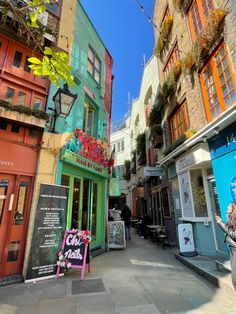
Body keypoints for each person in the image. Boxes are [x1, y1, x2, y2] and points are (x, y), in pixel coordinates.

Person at [215, 201, 236, 289]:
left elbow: (234, 235)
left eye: (229, 206)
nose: (227, 207)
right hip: (233, 248)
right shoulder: (232, 219)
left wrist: (220, 222)